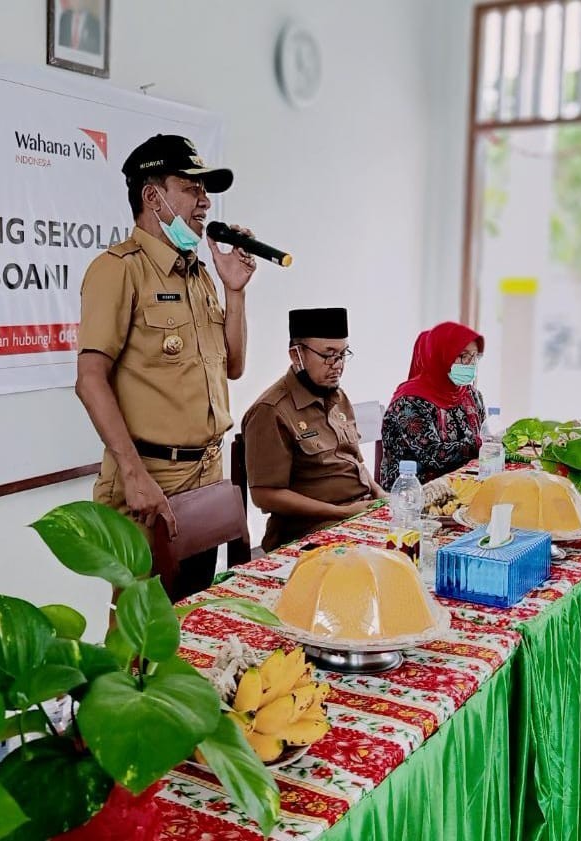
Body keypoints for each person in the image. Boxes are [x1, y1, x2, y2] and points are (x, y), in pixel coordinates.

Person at [76, 133, 256, 601]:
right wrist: (134, 474)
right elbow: (90, 381)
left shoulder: (198, 275)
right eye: (191, 188)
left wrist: (234, 291)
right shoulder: (119, 270)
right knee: (140, 634)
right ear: (152, 197)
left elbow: (233, 366)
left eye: (204, 190)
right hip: (151, 477)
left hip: (206, 474)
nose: (205, 201)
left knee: (193, 615)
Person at [241, 308, 385, 552]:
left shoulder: (337, 396)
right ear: (296, 355)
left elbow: (354, 461)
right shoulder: (271, 411)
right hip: (311, 532)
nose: (337, 365)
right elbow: (264, 495)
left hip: (357, 514)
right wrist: (341, 512)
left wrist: (381, 495)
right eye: (328, 355)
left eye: (342, 354)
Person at [380, 321, 487, 487]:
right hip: (414, 493)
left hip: (462, 484)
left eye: (474, 356)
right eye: (463, 356)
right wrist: (481, 445)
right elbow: (434, 456)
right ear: (441, 356)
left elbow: (484, 436)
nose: (470, 364)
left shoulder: (471, 395)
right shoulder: (409, 402)